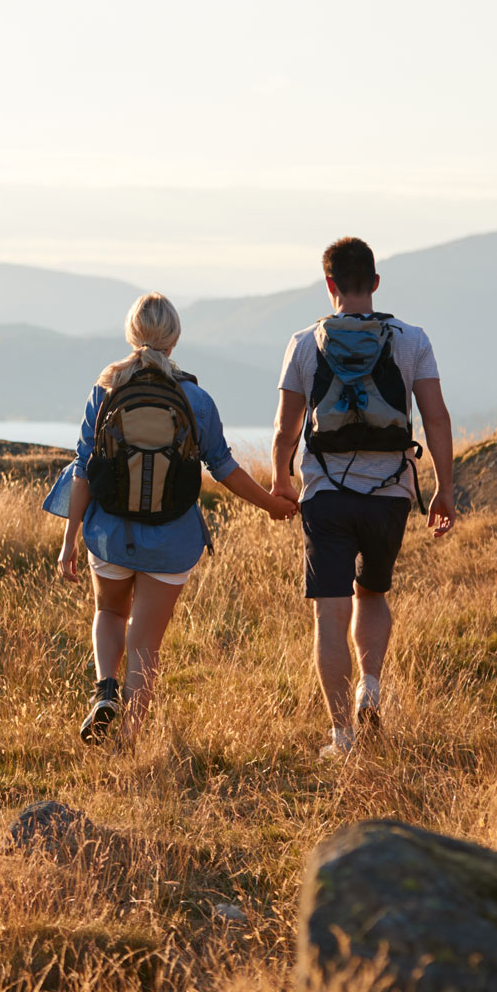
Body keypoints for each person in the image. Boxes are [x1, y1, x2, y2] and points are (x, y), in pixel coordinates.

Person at [48, 292, 298, 746]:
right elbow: (224, 468)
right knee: (145, 645)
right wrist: (272, 504)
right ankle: (127, 743)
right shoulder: (196, 398)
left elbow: (83, 469)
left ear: (131, 333)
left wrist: (69, 540)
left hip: (108, 534)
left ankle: (106, 689)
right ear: (175, 338)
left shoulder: (104, 390)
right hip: (172, 539)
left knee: (108, 610)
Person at [269, 237, 456, 759]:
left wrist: (283, 482)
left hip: (325, 494)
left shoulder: (304, 343)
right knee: (371, 593)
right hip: (391, 494)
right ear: (375, 283)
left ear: (329, 284)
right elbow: (436, 417)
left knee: (330, 613)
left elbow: (286, 430)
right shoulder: (411, 339)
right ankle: (368, 685)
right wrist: (442, 488)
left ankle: (342, 738)